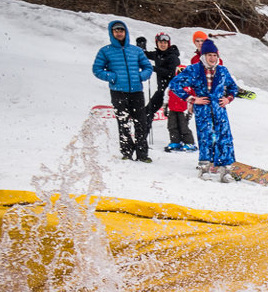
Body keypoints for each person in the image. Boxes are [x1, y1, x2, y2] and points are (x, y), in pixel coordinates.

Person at [168, 40, 240, 182]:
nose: (212, 58)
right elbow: (174, 84)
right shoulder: (194, 70)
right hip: (203, 110)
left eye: (214, 55)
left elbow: (233, 88)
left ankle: (225, 170)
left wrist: (228, 99)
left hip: (219, 110)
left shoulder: (222, 70)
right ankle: (204, 168)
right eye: (209, 55)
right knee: (205, 137)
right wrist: (192, 99)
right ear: (203, 56)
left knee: (224, 138)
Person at [91, 19, 154, 162]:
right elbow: (97, 69)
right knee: (123, 122)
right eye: (116, 31)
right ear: (112, 33)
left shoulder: (136, 50)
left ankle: (142, 153)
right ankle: (127, 152)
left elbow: (148, 68)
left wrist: (140, 76)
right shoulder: (105, 51)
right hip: (118, 91)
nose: (119, 33)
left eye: (121, 30)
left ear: (126, 32)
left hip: (137, 91)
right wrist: (113, 77)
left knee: (141, 122)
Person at [143, 32, 189, 153]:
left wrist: (152, 68)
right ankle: (142, 136)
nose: (163, 45)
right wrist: (141, 47)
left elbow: (170, 72)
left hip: (173, 93)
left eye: (165, 43)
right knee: (149, 111)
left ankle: (184, 141)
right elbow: (146, 55)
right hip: (162, 90)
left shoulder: (172, 56)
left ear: (168, 44)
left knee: (175, 118)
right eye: (160, 42)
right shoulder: (158, 54)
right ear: (157, 43)